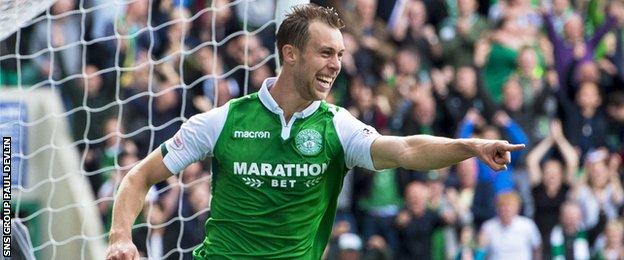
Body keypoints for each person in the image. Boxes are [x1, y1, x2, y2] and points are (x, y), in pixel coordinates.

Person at [105, 4, 524, 259]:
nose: (336, 64)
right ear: (290, 54)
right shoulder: (224, 120)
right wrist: (121, 237)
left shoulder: (338, 127)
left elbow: (408, 150)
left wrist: (469, 146)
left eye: (340, 54)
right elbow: (139, 176)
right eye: (326, 52)